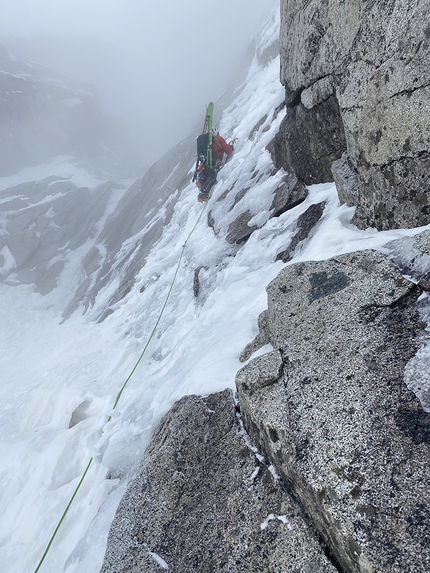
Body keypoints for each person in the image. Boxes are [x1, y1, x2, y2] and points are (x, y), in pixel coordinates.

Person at [196, 134, 234, 202]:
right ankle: (204, 193)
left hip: (205, 163)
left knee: (206, 175)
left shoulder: (205, 142)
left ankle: (201, 181)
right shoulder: (218, 139)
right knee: (212, 178)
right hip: (215, 162)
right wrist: (231, 147)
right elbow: (228, 150)